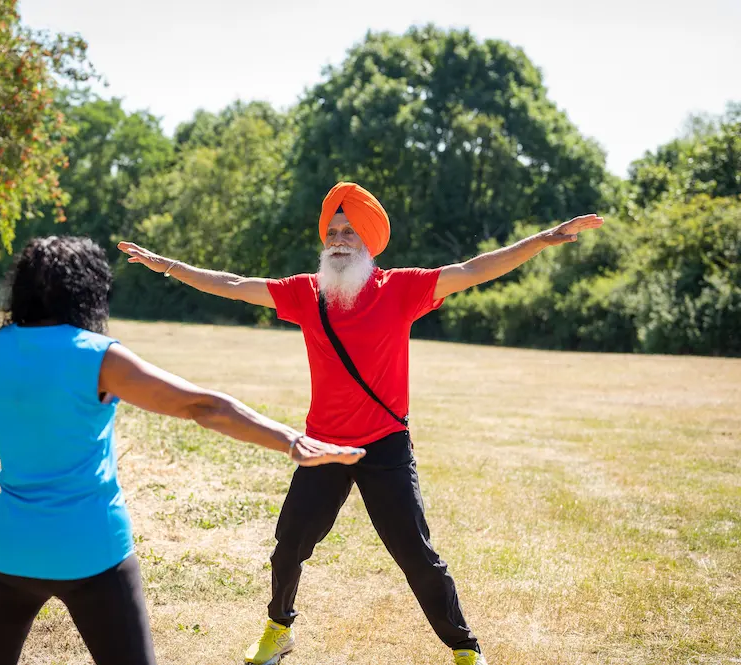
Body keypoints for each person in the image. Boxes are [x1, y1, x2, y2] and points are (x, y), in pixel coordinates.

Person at [0, 235, 365, 665]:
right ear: (88, 290)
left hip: (11, 553)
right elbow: (201, 406)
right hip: (94, 555)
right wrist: (292, 441)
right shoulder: (97, 356)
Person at [118, 181, 604, 665]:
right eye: (333, 230)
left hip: (386, 445)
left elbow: (473, 268)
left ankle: (464, 647)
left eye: (350, 231)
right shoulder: (306, 293)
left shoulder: (402, 289)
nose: (340, 239)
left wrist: (541, 239)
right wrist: (168, 265)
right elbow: (233, 286)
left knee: (416, 556)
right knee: (289, 545)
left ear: (369, 240)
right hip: (322, 447)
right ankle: (278, 628)